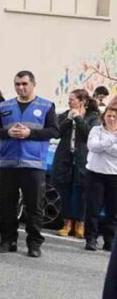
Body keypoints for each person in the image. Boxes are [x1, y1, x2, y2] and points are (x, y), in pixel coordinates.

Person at [0, 71, 59, 258]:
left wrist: (31, 134)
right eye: (17, 84)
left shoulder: (45, 106)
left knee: (34, 206)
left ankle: (34, 244)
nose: (20, 87)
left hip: (34, 164)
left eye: (24, 84)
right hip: (8, 163)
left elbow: (54, 131)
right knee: (7, 205)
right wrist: (7, 133)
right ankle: (7, 240)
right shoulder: (5, 106)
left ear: (33, 84)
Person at [53, 89, 100, 239]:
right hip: (65, 158)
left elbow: (89, 135)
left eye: (72, 99)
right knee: (64, 191)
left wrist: (79, 119)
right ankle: (67, 223)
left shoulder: (93, 118)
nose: (69, 101)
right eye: (69, 99)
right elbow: (56, 133)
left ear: (82, 101)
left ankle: (80, 223)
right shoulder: (66, 114)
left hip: (83, 160)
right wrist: (68, 119)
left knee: (81, 193)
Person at [85, 103, 117, 252]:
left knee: (112, 210)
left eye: (115, 117)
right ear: (103, 117)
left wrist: (103, 146)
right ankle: (91, 238)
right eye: (109, 116)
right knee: (93, 208)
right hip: (95, 173)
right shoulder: (96, 130)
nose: (111, 119)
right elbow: (92, 147)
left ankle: (109, 240)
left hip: (114, 175)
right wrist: (111, 141)